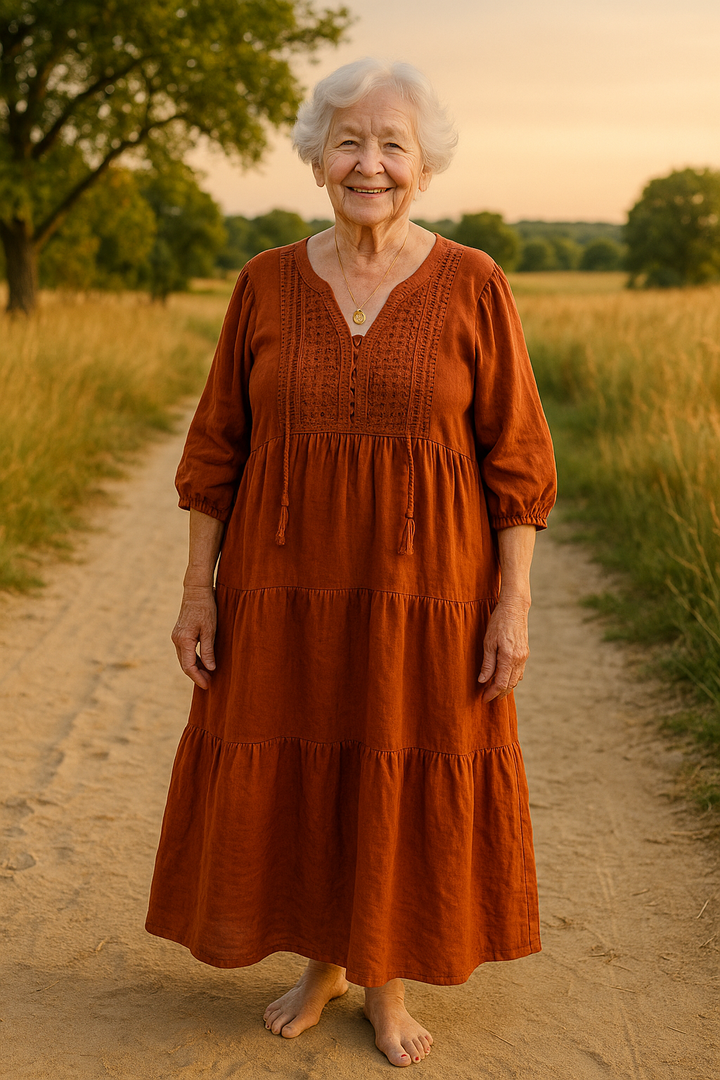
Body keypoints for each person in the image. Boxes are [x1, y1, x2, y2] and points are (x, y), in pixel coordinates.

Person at [146, 57, 557, 1068]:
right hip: (282, 592)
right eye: (348, 141)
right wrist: (198, 590)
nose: (368, 162)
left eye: (391, 145)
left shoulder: (473, 283)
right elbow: (215, 452)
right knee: (308, 757)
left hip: (426, 593)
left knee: (394, 759)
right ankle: (325, 963)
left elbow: (519, 463)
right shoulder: (266, 283)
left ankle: (387, 982)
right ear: (317, 160)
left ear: (424, 166)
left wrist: (513, 606)